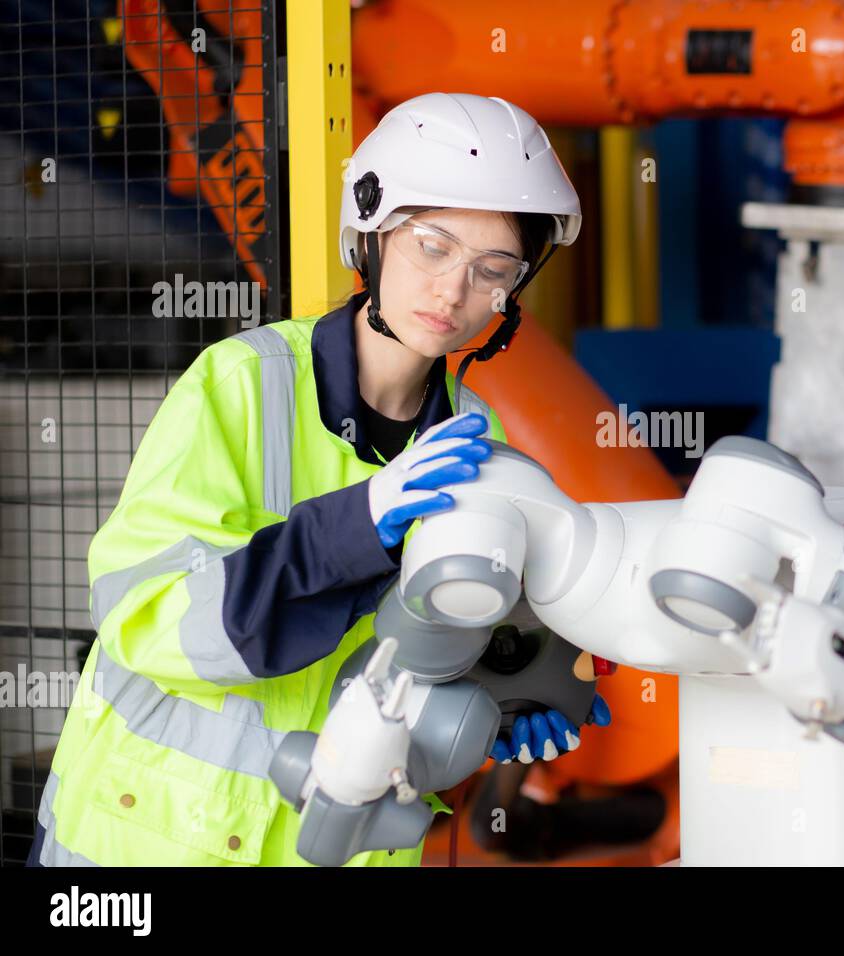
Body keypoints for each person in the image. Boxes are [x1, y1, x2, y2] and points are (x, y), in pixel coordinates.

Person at [28, 92, 610, 867]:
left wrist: (497, 700)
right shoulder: (241, 384)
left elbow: (420, 659)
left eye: (492, 269)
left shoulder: (480, 444)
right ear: (369, 232)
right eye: (432, 246)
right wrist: (356, 527)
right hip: (145, 846)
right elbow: (147, 616)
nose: (453, 292)